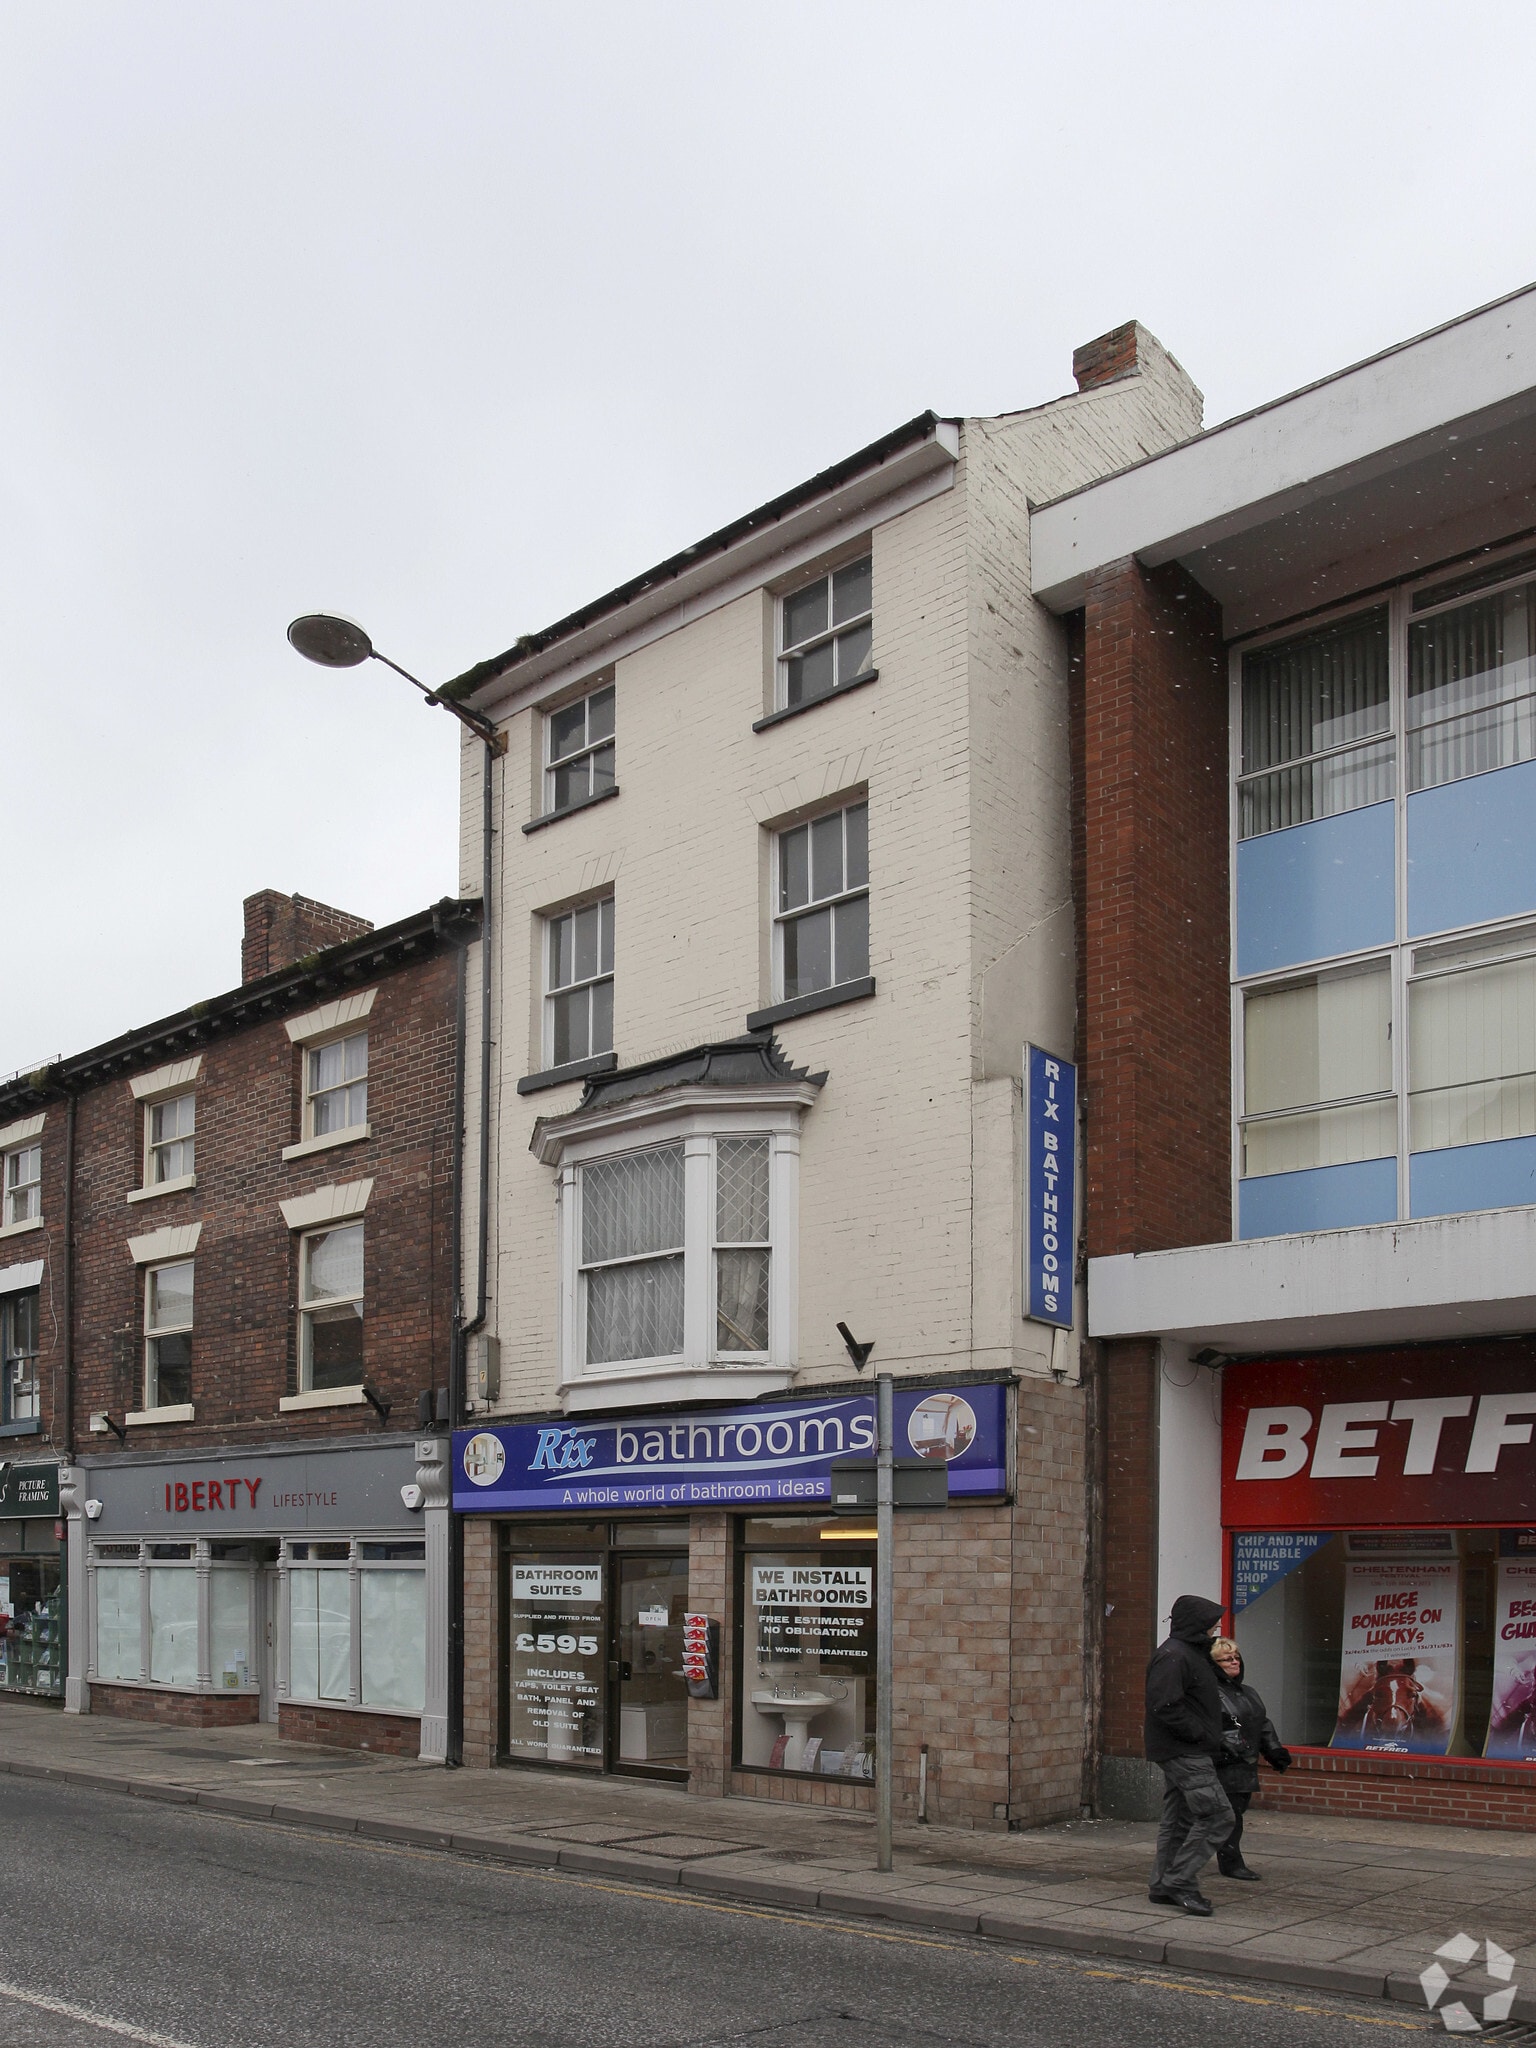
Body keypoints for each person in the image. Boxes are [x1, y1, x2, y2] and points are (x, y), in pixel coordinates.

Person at [1144, 1593, 1233, 1915]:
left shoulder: (1189, 1653)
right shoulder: (1175, 1656)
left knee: (1179, 1819)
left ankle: (1163, 1885)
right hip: (1185, 1750)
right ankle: (1180, 1881)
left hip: (1185, 1748)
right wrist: (1200, 1734)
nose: (1217, 1627)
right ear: (1198, 1624)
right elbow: (1165, 1706)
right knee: (1217, 1816)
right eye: (1212, 1622)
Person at [1208, 1636, 1291, 1879]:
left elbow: (1261, 1723)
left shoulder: (1247, 1692)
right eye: (1226, 1659)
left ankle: (1228, 1860)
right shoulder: (1209, 1693)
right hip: (1223, 1762)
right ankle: (1231, 1862)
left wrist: (1275, 1751)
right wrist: (1224, 1744)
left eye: (1236, 1658)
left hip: (1244, 1762)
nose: (1234, 1662)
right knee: (1228, 1816)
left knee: (1234, 1813)